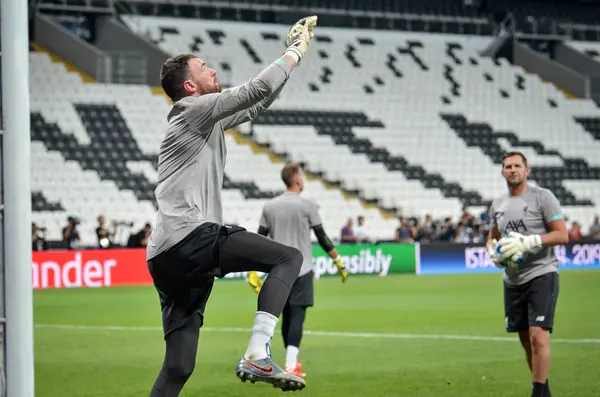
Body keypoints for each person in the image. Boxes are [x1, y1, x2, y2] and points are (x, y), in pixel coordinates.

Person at [144, 16, 319, 396]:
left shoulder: (201, 121)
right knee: (288, 258)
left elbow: (256, 105)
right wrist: (295, 51)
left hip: (164, 256)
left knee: (178, 367)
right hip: (188, 237)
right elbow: (257, 87)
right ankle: (258, 351)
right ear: (190, 85)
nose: (213, 70)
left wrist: (284, 70)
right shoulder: (195, 109)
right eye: (205, 68)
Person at [247, 163, 348, 378]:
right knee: (297, 317)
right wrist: (338, 260)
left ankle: (285, 361)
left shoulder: (269, 206)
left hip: (278, 272)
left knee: (283, 317)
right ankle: (291, 364)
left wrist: (253, 271)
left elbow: (259, 238)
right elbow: (322, 237)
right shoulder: (307, 205)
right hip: (302, 269)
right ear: (298, 180)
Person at [486, 152, 569, 397]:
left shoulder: (543, 197)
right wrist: (492, 250)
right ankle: (544, 391)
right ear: (502, 172)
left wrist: (530, 241)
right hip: (512, 280)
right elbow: (493, 236)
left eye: (517, 166)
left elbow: (562, 234)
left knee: (538, 336)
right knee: (525, 340)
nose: (512, 170)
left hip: (542, 273)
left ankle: (537, 393)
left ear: (527, 171)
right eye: (508, 166)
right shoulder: (498, 204)